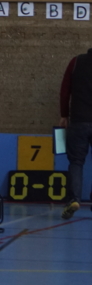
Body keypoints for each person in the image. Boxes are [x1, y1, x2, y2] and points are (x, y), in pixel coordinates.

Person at [59, 47, 92, 219]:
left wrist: (64, 115)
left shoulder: (76, 62)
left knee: (76, 162)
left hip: (79, 120)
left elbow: (65, 91)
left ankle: (74, 200)